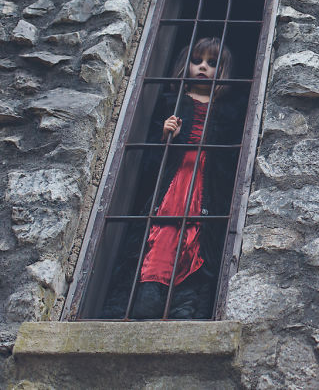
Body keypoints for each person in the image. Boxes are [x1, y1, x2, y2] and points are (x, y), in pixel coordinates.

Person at [102, 37, 244, 319]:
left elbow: (230, 156)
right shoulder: (172, 102)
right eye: (197, 61)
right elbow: (147, 159)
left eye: (212, 63)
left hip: (206, 181)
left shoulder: (230, 111)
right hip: (174, 181)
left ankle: (185, 304)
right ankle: (148, 296)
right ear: (185, 64)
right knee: (161, 232)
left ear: (223, 71)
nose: (203, 67)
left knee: (200, 236)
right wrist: (167, 136)